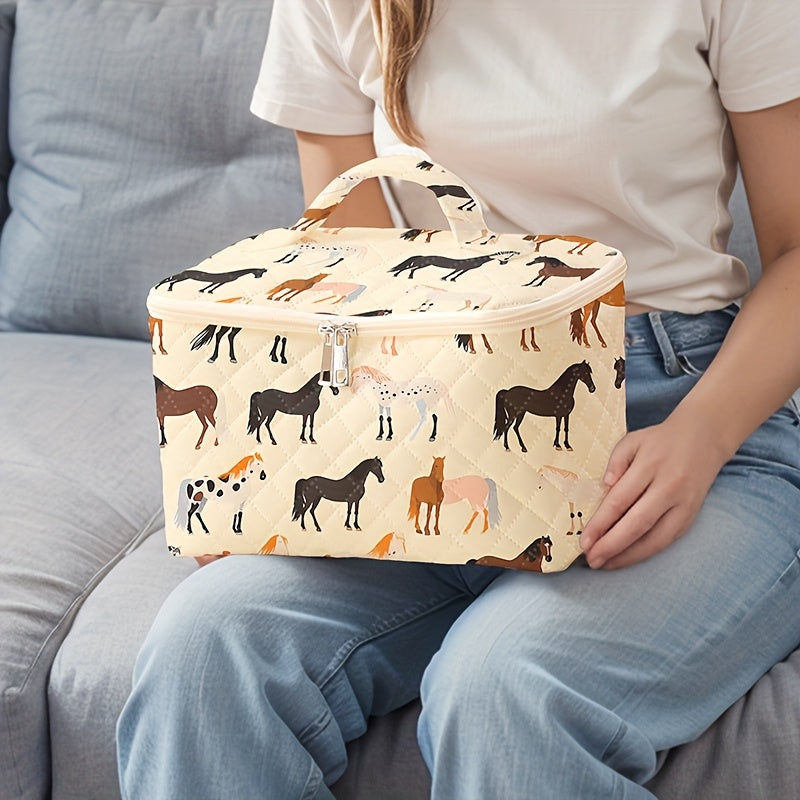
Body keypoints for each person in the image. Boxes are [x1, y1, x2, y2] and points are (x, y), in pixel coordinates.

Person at [116, 1, 800, 797]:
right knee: (204, 650)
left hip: (681, 412)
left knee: (505, 687)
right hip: (433, 423)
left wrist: (703, 434)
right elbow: (360, 286)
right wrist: (292, 487)